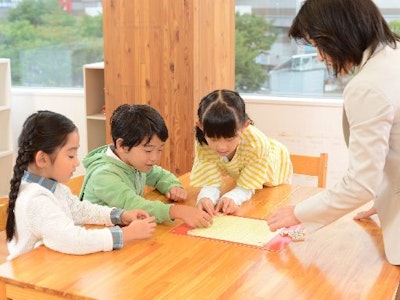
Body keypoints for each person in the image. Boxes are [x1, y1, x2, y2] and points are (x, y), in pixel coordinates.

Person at [267, 0, 400, 265]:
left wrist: (299, 213)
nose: (319, 56)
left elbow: (360, 183)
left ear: (339, 31)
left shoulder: (368, 86)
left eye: (317, 44)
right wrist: (386, 200)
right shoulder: (393, 57)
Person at [6, 111, 156, 260]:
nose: (77, 162)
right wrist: (127, 234)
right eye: (71, 155)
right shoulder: (36, 199)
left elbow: (80, 210)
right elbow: (71, 240)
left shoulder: (54, 187)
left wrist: (120, 215)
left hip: (52, 267)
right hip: (30, 279)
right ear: (42, 159)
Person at [80, 104, 213, 228]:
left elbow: (158, 175)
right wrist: (177, 211)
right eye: (148, 150)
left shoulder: (133, 161)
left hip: (125, 232)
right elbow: (134, 206)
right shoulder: (104, 175)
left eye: (159, 150)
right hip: (99, 236)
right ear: (121, 145)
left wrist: (172, 185)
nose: (154, 158)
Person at [191, 89, 293, 215]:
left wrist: (232, 197)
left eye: (230, 138)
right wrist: (205, 198)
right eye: (214, 139)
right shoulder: (203, 142)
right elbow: (210, 180)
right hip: (244, 172)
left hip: (276, 172)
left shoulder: (256, 144)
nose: (222, 147)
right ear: (201, 127)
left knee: (272, 209)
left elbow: (246, 186)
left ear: (245, 126)